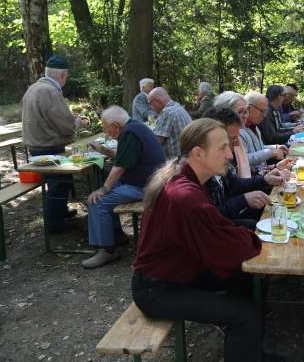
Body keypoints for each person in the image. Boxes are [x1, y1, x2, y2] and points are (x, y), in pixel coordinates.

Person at [131, 119, 264, 362]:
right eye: (223, 148)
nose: (230, 155)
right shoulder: (186, 196)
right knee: (245, 315)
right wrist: (255, 239)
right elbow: (229, 246)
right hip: (158, 289)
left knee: (247, 278)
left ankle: (250, 351)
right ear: (198, 153)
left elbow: (218, 231)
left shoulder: (182, 175)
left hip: (177, 271)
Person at [82, 106, 165, 269]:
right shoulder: (135, 126)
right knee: (107, 192)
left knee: (97, 201)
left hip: (145, 186)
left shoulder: (129, 133)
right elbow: (123, 156)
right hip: (147, 181)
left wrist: (103, 189)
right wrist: (102, 150)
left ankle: (107, 250)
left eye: (106, 129)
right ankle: (116, 236)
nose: (107, 133)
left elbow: (119, 166)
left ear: (116, 126)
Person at [21, 55, 84, 232]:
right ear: (63, 75)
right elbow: (64, 125)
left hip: (36, 144)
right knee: (59, 183)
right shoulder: (49, 91)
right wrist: (77, 123)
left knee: (59, 181)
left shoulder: (33, 88)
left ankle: (60, 213)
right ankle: (54, 225)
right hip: (49, 145)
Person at [203, 108, 287, 224]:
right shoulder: (196, 179)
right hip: (219, 227)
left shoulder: (218, 160)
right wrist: (243, 201)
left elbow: (234, 183)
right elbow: (209, 219)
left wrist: (265, 179)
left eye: (246, 110)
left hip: (229, 218)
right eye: (232, 139)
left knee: (277, 210)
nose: (236, 144)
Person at [241, 91, 292, 172]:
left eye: (265, 112)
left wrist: (275, 147)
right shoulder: (238, 131)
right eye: (262, 111)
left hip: (264, 172)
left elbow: (259, 148)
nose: (264, 115)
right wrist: (271, 153)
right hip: (254, 179)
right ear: (249, 108)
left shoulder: (255, 127)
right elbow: (243, 159)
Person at [212, 91, 254, 178]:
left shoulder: (237, 134)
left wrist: (267, 172)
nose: (245, 116)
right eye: (240, 112)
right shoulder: (216, 139)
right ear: (226, 113)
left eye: (246, 111)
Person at [148, 87, 192, 160]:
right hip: (186, 157)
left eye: (150, 103)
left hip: (175, 163)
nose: (150, 107)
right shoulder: (178, 107)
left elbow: (155, 142)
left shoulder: (168, 112)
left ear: (158, 101)